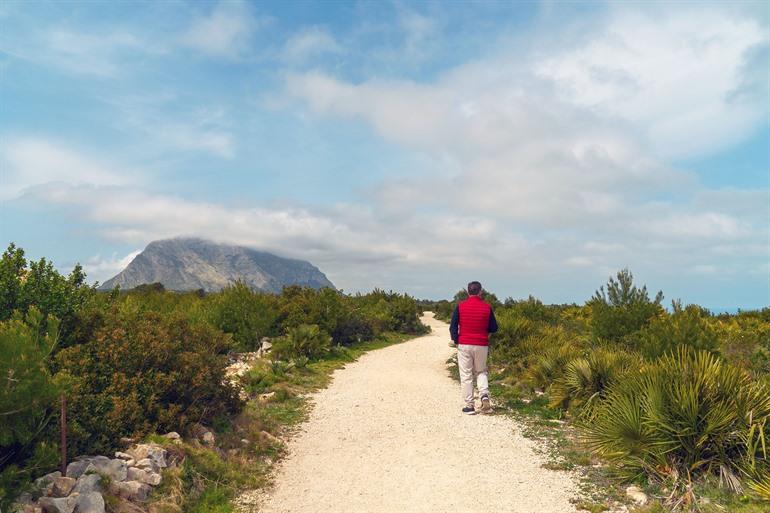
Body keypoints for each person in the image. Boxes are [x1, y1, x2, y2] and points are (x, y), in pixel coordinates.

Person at [449, 281, 498, 415]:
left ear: (467, 291)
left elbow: (453, 326)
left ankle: (470, 405)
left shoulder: (460, 306)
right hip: (481, 344)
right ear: (480, 292)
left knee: (466, 375)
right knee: (481, 371)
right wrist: (485, 334)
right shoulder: (487, 308)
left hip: (464, 344)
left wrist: (456, 340)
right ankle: (484, 395)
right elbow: (494, 327)